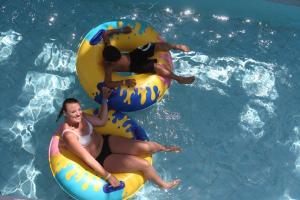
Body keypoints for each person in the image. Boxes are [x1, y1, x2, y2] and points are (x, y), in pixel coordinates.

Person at [56, 87, 181, 189]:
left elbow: (101, 121)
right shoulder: (69, 135)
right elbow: (87, 158)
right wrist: (108, 176)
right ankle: (164, 185)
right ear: (65, 114)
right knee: (144, 165)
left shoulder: (82, 116)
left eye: (79, 109)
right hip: (101, 159)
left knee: (148, 146)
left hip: (106, 141)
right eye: (73, 112)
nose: (78, 113)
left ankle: (166, 148)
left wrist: (104, 99)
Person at [102, 26, 195, 88]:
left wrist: (121, 30)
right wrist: (124, 82)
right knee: (157, 67)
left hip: (133, 55)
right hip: (135, 66)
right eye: (118, 60)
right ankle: (179, 79)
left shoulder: (108, 47)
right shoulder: (109, 67)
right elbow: (107, 83)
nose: (120, 58)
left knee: (153, 46)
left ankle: (175, 46)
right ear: (112, 62)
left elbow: (105, 33)